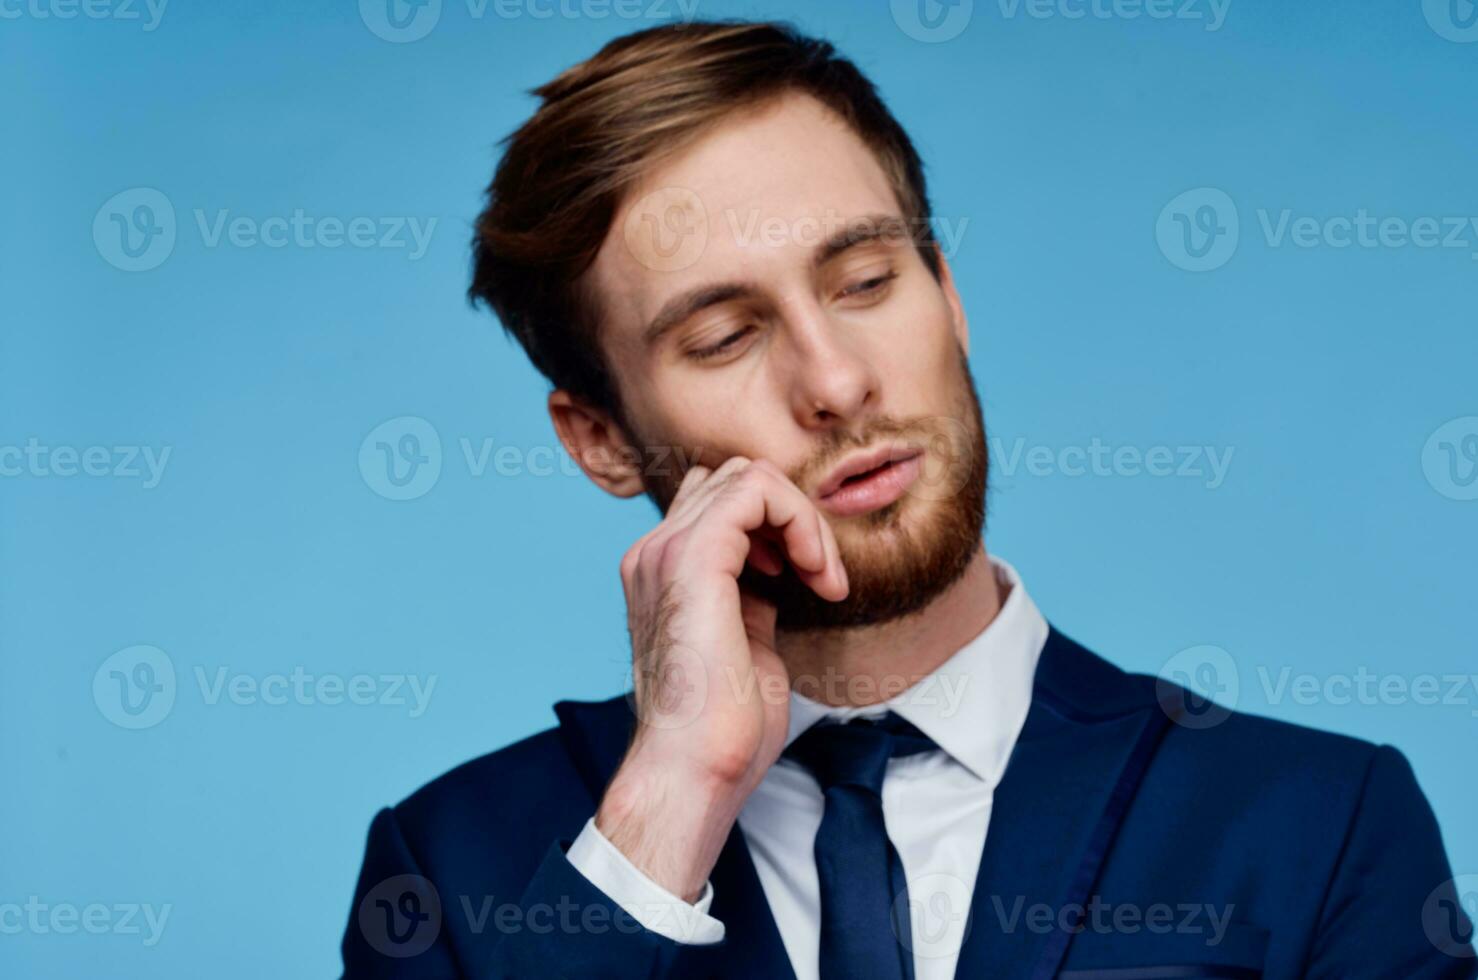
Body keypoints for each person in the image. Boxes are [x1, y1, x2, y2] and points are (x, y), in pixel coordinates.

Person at [341, 20, 1474, 979]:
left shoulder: (1319, 823)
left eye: (868, 281)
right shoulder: (448, 872)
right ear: (598, 438)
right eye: (726, 335)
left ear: (948, 293)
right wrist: (666, 803)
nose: (834, 382)